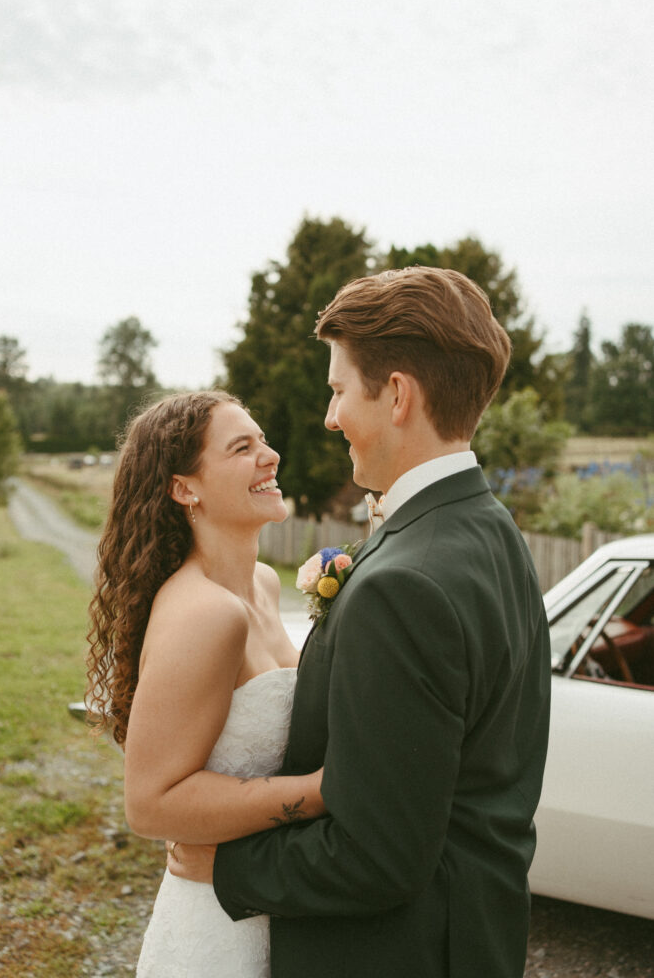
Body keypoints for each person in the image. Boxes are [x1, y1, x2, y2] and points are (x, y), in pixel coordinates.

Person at [168, 266, 552, 977]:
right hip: (476, 934)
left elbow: (376, 857)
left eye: (339, 389)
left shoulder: (402, 584)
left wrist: (227, 865)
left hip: (396, 954)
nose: (329, 416)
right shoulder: (489, 530)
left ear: (398, 395)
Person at [85, 390, 326, 978]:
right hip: (220, 927)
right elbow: (150, 803)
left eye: (262, 440)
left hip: (271, 892)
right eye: (242, 448)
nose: (269, 456)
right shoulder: (205, 613)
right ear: (184, 488)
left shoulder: (264, 585)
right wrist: (326, 792)